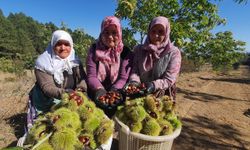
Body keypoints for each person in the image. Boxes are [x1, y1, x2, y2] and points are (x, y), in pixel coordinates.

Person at [30, 30, 87, 115]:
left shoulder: (75, 61)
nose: (63, 48)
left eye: (67, 44)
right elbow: (47, 87)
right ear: (53, 45)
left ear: (71, 46)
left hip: (70, 99)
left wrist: (81, 89)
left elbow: (82, 78)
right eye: (59, 44)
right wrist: (65, 93)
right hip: (47, 101)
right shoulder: (43, 62)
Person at [86, 16, 133, 117]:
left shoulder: (125, 52)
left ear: (119, 33)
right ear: (101, 33)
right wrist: (99, 90)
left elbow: (123, 78)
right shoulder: (94, 50)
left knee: (115, 120)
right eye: (106, 32)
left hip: (117, 93)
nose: (110, 37)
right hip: (96, 92)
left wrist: (114, 91)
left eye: (114, 33)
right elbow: (91, 76)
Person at [128, 16, 181, 100]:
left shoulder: (173, 52)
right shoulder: (138, 49)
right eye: (153, 31)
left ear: (166, 32)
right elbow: (135, 70)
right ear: (149, 32)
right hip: (139, 94)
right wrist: (134, 82)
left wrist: (153, 85)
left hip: (161, 96)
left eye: (160, 32)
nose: (156, 35)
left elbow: (169, 79)